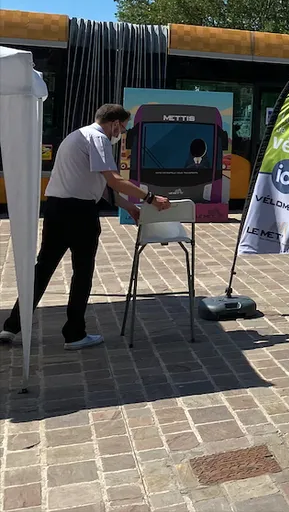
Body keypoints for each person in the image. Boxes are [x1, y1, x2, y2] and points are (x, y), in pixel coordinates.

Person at [0, 104, 170, 350]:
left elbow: (100, 186)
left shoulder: (75, 137)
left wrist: (130, 207)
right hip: (80, 213)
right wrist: (150, 198)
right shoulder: (99, 139)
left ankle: (11, 326)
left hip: (56, 209)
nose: (121, 132)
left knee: (43, 268)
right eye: (123, 127)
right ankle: (74, 334)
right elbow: (114, 180)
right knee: (82, 272)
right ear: (114, 123)